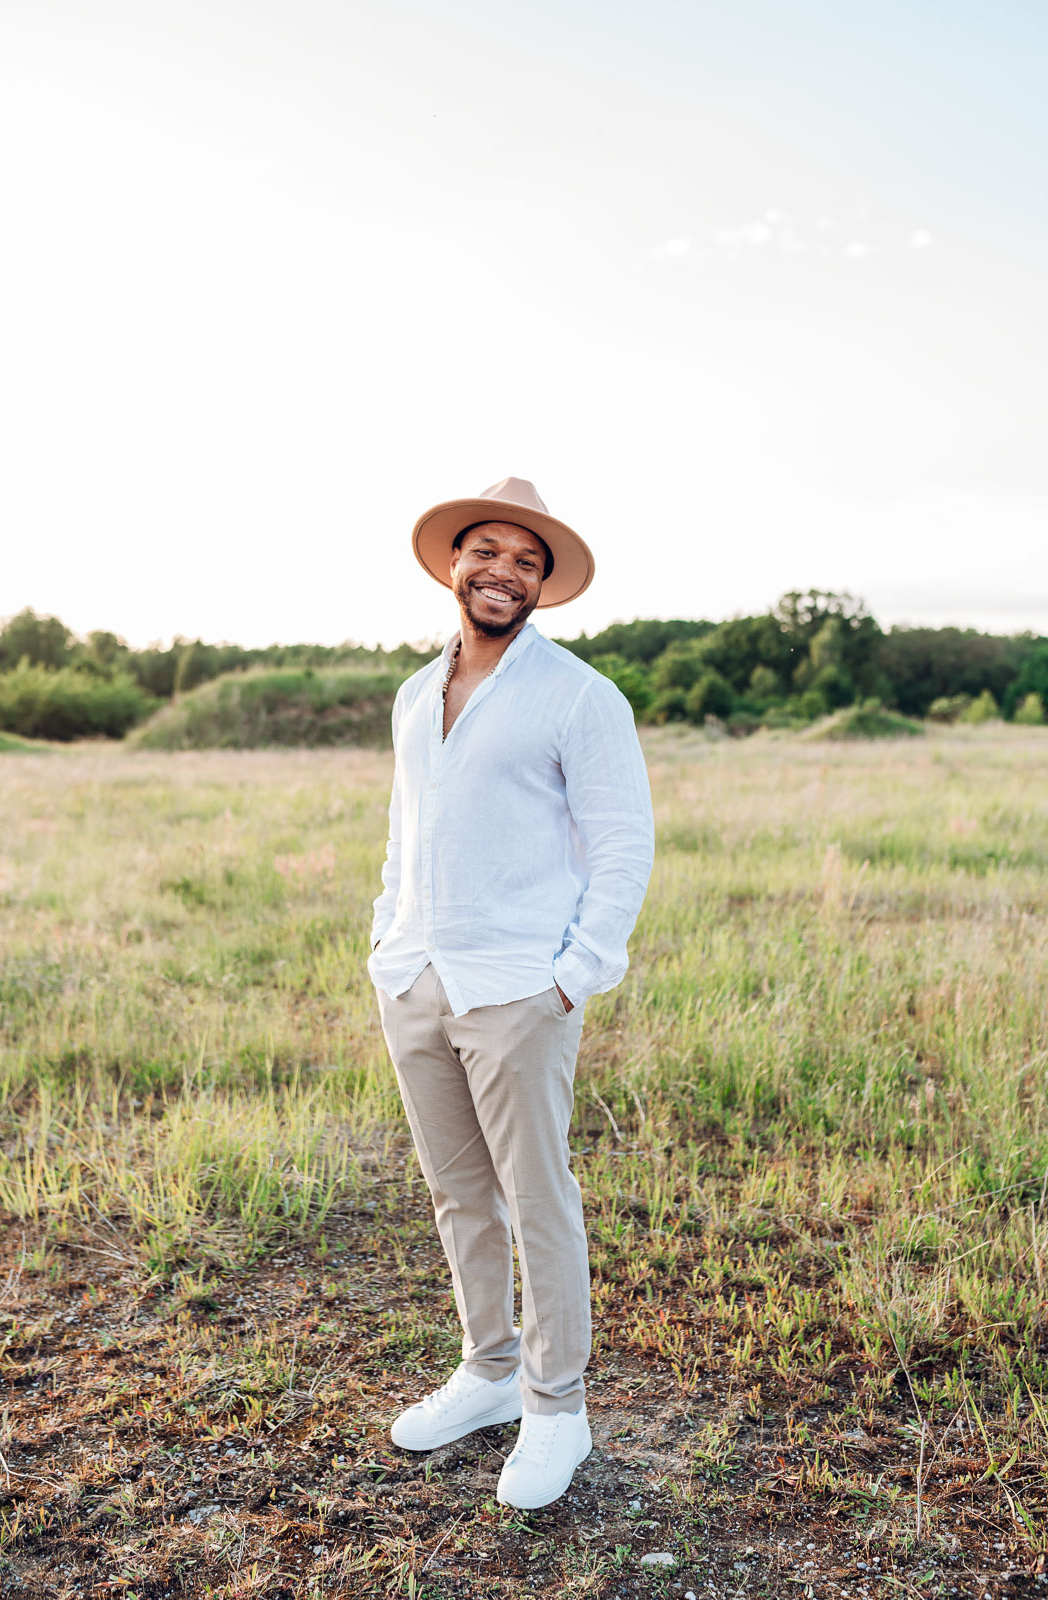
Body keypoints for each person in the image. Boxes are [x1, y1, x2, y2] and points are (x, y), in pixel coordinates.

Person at [369, 476, 654, 1510]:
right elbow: (407, 835)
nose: (503, 569)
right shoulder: (414, 690)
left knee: (538, 1198)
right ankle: (487, 1373)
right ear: (454, 563)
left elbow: (622, 845)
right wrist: (383, 939)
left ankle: (555, 1407)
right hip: (415, 977)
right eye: (485, 551)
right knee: (456, 1193)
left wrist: (571, 979)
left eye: (526, 560)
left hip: (519, 986)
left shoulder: (578, 694)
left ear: (543, 585)